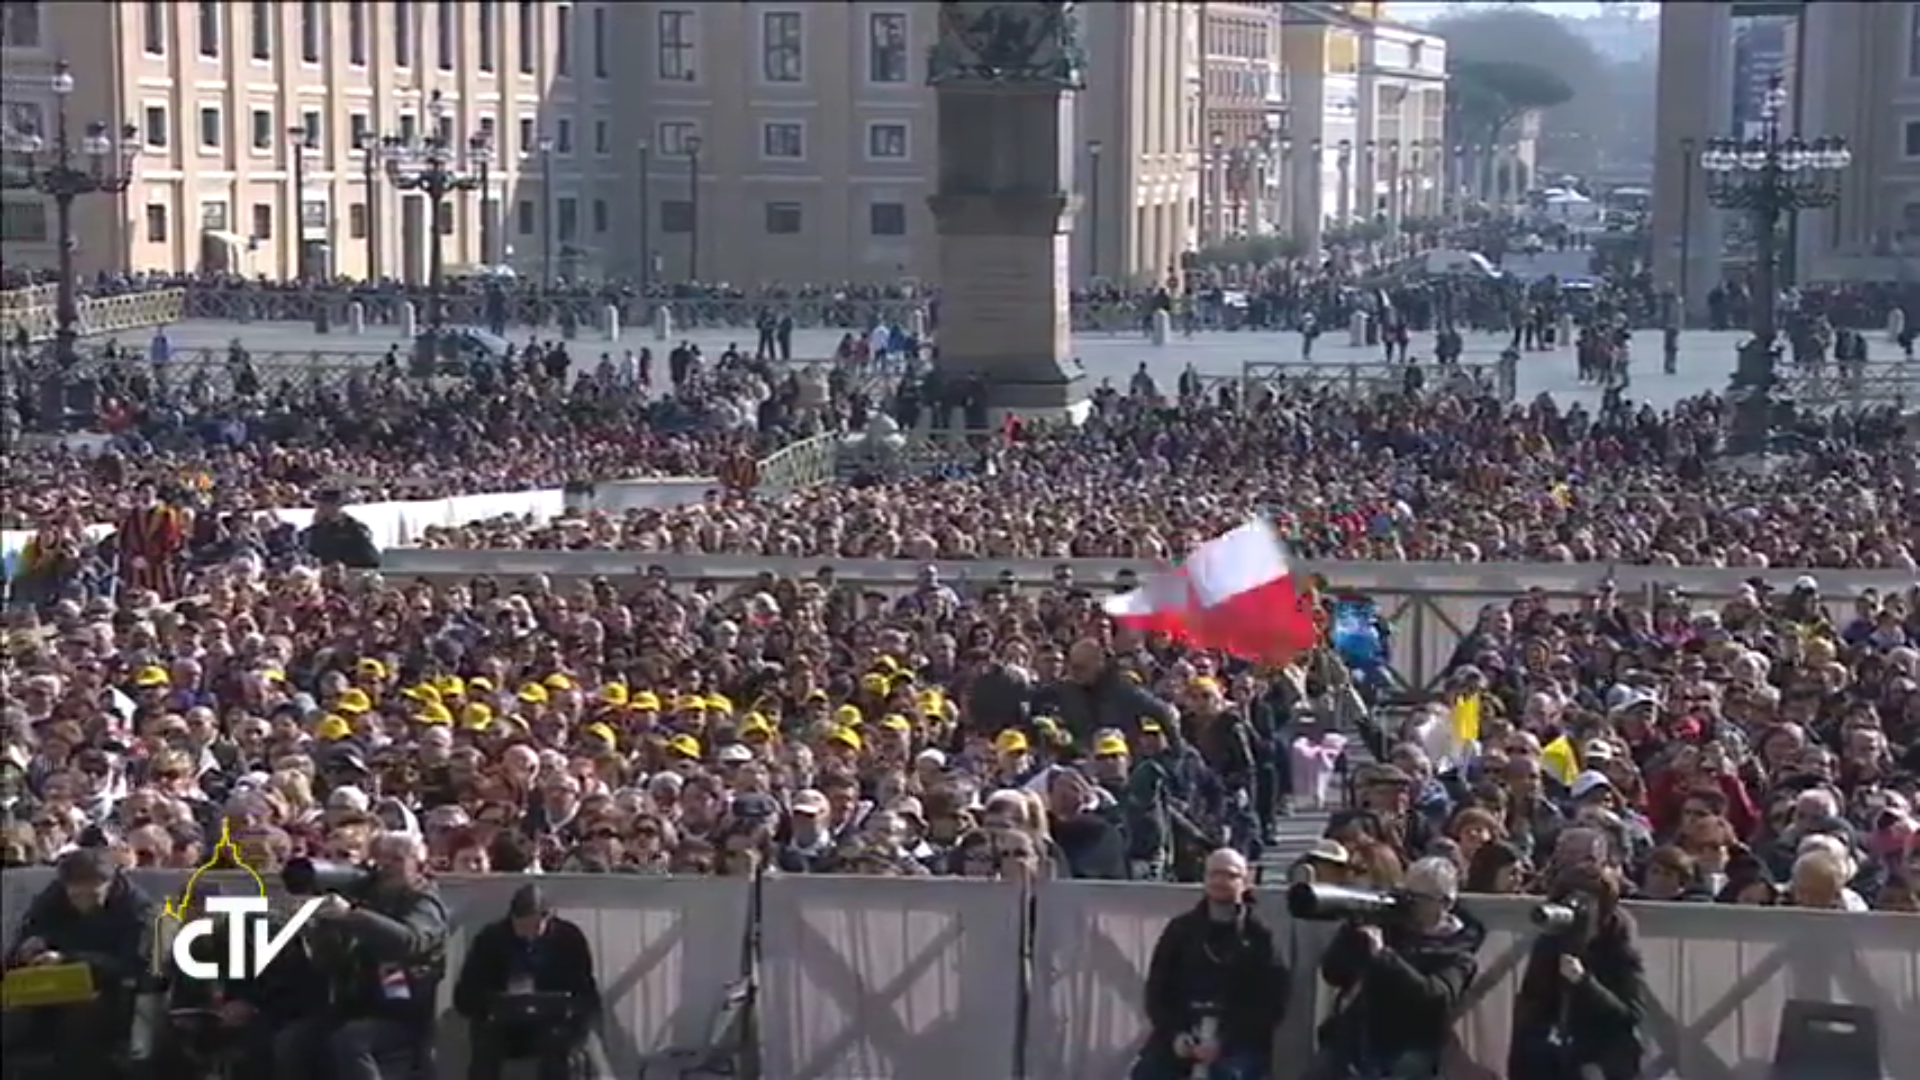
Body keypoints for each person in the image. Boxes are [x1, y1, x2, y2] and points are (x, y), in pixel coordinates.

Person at [270, 832, 450, 1080]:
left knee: (352, 1040)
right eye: (380, 858)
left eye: (396, 859)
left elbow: (410, 941)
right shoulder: (367, 896)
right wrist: (318, 925)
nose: (385, 865)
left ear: (418, 865)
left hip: (404, 1014)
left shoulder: (423, 902)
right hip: (357, 1005)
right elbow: (329, 961)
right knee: (293, 1040)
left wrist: (351, 915)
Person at [1304, 856, 1484, 1080]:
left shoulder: (1458, 949)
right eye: (1406, 894)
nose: (1409, 904)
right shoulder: (1391, 926)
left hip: (1411, 1043)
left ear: (1445, 903)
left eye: (1418, 899)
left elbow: (1437, 999)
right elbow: (1333, 972)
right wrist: (1354, 931)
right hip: (1359, 1034)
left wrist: (1383, 956)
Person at [1134, 848, 1291, 1080]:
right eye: (1214, 874)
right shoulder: (1181, 930)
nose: (1220, 881)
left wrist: (1224, 1039)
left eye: (1230, 875)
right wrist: (1176, 1035)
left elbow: (1272, 1003)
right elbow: (1157, 990)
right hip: (1182, 1032)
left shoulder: (1260, 938)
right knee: (1148, 1072)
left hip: (1237, 1040)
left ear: (1246, 881)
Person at [1, 847, 156, 1074]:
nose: (83, 903)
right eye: (76, 896)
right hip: (48, 983)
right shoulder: (55, 896)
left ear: (109, 884)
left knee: (81, 1017)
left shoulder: (136, 907)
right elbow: (30, 931)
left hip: (107, 990)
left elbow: (131, 963)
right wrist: (30, 947)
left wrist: (68, 959)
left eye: (92, 896)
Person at [453, 883, 609, 1080]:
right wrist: (493, 1004)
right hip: (503, 1026)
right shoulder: (491, 939)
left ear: (547, 919)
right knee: (486, 1043)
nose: (529, 934)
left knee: (558, 1046)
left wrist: (568, 1008)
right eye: (522, 927)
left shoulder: (568, 939)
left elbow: (585, 992)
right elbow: (465, 993)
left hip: (553, 1024)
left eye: (535, 928)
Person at [1508, 864, 1647, 1080]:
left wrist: (1584, 983)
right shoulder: (1549, 943)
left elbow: (1630, 1015)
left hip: (1602, 1051)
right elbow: (1532, 1005)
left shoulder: (1619, 946)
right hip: (1553, 1053)